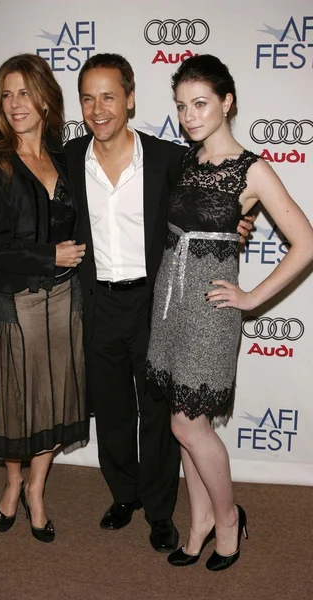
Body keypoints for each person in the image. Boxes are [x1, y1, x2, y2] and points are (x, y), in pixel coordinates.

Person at [64, 53, 254, 551]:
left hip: (156, 303)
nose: (98, 109)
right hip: (97, 302)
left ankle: (160, 510)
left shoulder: (171, 158)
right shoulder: (68, 157)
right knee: (112, 412)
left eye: (109, 96)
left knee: (159, 415)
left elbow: (207, 204)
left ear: (130, 99)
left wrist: (237, 221)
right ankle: (123, 495)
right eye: (88, 98)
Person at [146, 54, 313, 570]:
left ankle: (228, 521)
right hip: (170, 304)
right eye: (181, 106)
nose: (189, 116)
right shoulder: (186, 162)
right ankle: (198, 521)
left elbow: (305, 243)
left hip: (211, 312)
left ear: (227, 102)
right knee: (183, 422)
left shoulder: (252, 169)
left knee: (187, 425)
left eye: (200, 104)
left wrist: (252, 298)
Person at [0, 54, 88, 543]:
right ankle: (13, 483)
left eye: (24, 93)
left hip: (66, 300)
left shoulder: (67, 160)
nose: (15, 104)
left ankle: (37, 487)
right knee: (17, 403)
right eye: (6, 94)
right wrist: (47, 255)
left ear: (45, 100)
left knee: (55, 399)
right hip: (16, 303)